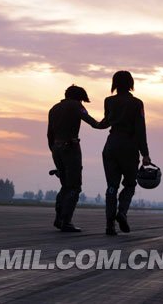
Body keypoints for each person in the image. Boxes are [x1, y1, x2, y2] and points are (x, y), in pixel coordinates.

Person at [98, 71, 152, 236]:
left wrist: (90, 122)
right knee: (129, 184)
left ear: (114, 83)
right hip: (129, 146)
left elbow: (105, 123)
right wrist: (145, 154)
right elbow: (140, 129)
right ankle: (121, 212)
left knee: (112, 186)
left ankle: (109, 225)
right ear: (131, 83)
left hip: (112, 144)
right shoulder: (137, 103)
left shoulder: (109, 101)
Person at [47, 85, 102, 232]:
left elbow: (49, 134)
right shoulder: (76, 106)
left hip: (56, 148)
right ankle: (66, 221)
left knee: (65, 185)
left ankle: (59, 218)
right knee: (74, 187)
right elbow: (93, 123)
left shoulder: (54, 108)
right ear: (79, 98)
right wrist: (110, 122)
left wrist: (54, 150)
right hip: (70, 148)